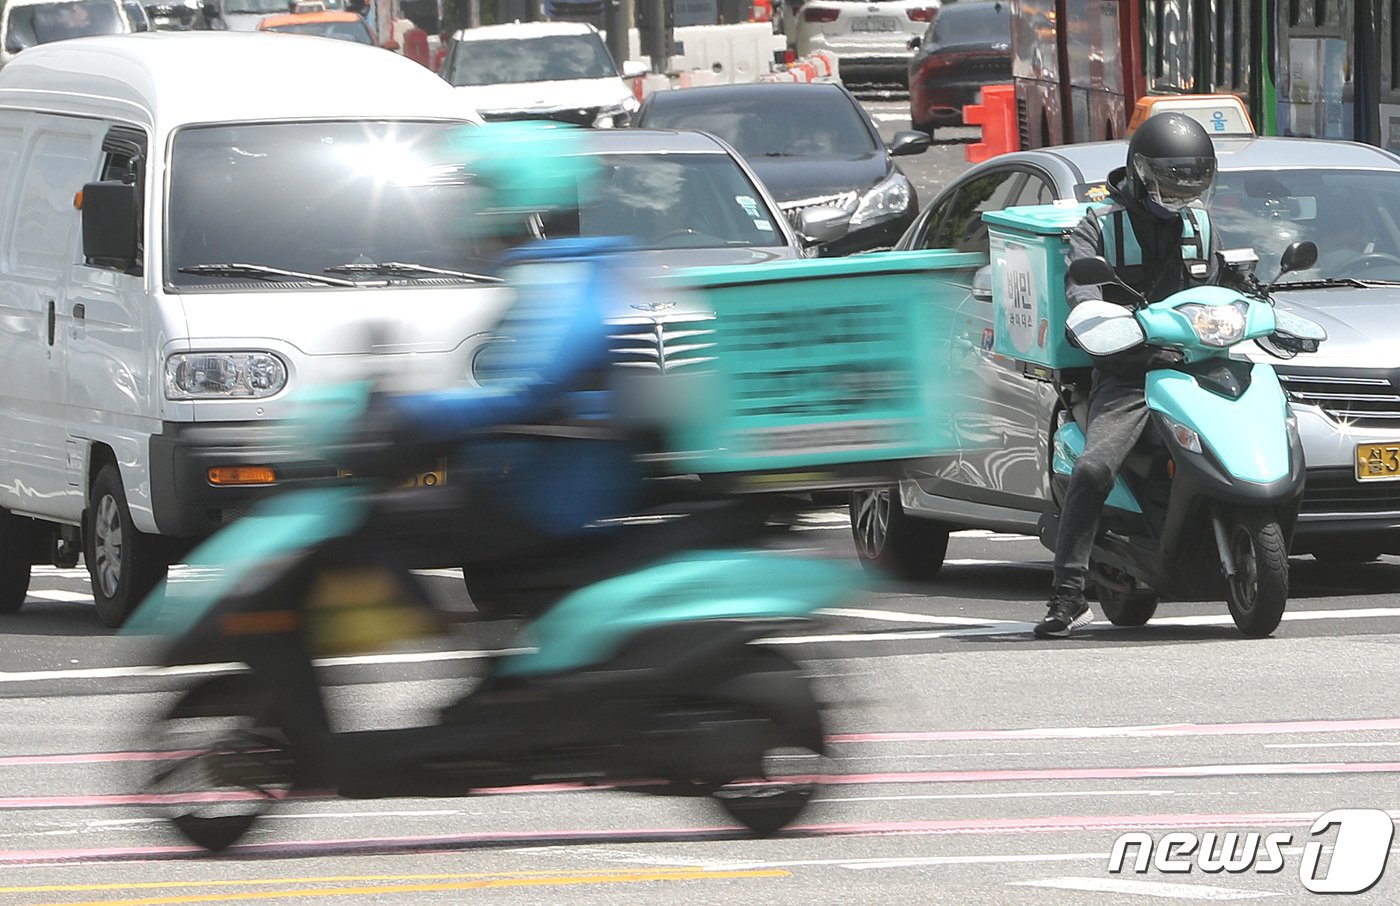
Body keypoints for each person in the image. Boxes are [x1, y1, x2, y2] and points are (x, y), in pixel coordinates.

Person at [1034, 112, 1222, 638]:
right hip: (1130, 374)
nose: (1181, 194)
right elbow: (1081, 288)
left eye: (1193, 182)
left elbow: (1222, 281)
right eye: (1170, 181)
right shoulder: (1099, 225)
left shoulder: (1201, 224)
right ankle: (1068, 594)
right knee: (1095, 469)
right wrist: (1095, 317)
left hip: (1197, 366)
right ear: (1140, 172)